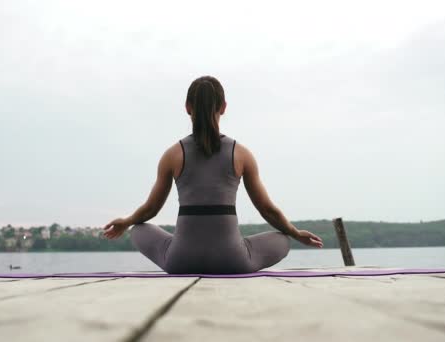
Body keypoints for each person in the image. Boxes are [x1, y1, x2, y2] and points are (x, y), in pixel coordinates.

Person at [103, 75, 323, 274]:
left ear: (188, 107)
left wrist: (126, 222)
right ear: (223, 107)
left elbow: (150, 209)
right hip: (234, 262)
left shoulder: (172, 154)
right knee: (282, 239)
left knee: (138, 230)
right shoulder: (241, 154)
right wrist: (295, 233)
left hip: (179, 261)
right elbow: (267, 210)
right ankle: (238, 245)